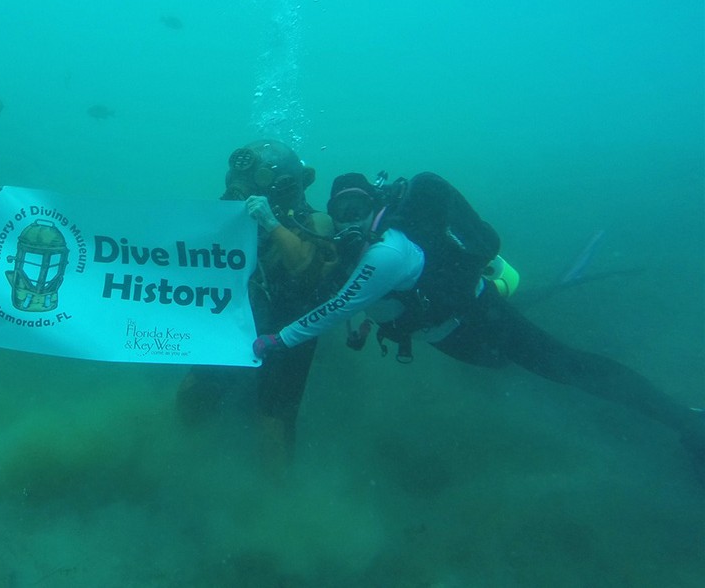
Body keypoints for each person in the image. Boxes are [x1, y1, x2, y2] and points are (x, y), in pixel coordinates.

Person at [253, 172, 705, 466]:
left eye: (357, 209)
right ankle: (528, 295)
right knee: (518, 351)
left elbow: (339, 306)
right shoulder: (368, 249)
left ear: (375, 205)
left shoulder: (386, 251)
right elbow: (373, 299)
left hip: (476, 326)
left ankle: (689, 423)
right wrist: (372, 323)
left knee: (568, 367)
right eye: (340, 212)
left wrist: (279, 341)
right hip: (463, 319)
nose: (348, 218)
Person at [176, 140, 339, 472]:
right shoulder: (237, 221)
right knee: (193, 391)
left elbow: (305, 270)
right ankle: (180, 456)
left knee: (272, 423)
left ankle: (274, 507)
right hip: (238, 322)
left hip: (290, 332)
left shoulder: (315, 221)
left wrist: (271, 222)